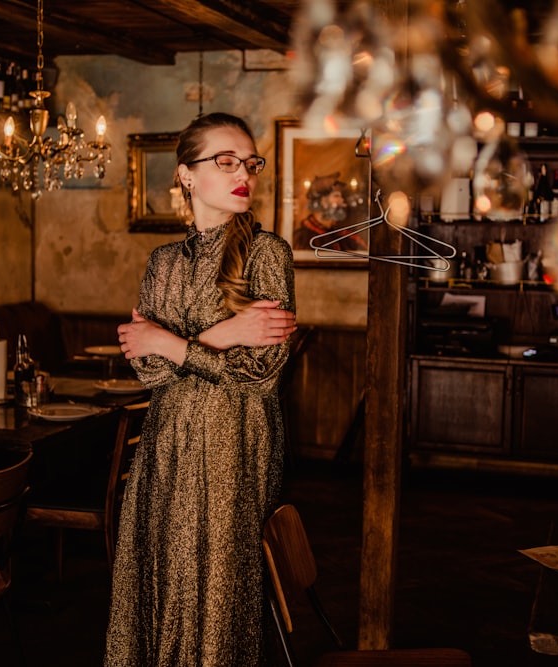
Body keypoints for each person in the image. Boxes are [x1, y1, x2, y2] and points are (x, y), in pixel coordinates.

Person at [105, 112, 297, 667]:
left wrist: (171, 341)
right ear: (187, 175)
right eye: (227, 161)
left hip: (237, 446)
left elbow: (259, 373)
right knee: (159, 582)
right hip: (165, 448)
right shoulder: (162, 263)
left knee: (218, 594)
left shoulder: (269, 254)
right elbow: (150, 373)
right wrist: (218, 337)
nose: (245, 174)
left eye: (251, 163)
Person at [292, 172, 369, 251]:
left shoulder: (344, 236)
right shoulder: (301, 239)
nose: (342, 201)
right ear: (323, 202)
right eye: (336, 196)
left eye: (341, 196)